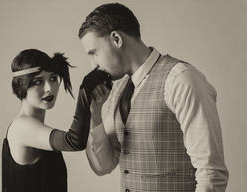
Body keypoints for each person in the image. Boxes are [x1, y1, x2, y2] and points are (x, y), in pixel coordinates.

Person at [78, 3, 229, 192]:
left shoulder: (181, 79)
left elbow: (211, 174)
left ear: (116, 38)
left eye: (94, 53)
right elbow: (103, 166)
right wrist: (94, 114)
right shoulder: (119, 90)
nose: (93, 65)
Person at [2, 49, 112, 192]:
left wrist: (94, 108)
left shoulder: (33, 127)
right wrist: (85, 90)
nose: (49, 88)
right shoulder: (21, 127)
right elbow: (74, 141)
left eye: (53, 78)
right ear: (21, 85)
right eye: (38, 81)